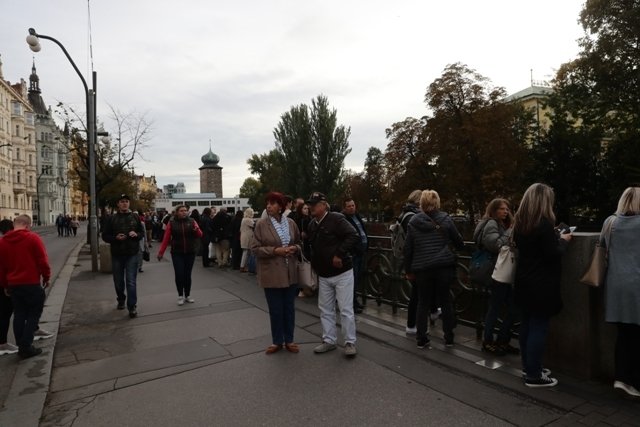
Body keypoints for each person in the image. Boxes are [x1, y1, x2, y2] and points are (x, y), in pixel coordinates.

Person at [513, 183, 571, 388]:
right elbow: (552, 254)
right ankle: (534, 375)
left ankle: (528, 366)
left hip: (524, 280)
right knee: (539, 326)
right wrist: (563, 240)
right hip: (541, 284)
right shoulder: (544, 224)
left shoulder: (520, 223)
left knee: (527, 325)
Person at [404, 190, 464, 349]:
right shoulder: (446, 219)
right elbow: (459, 242)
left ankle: (421, 338)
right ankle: (449, 337)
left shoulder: (413, 222)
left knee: (423, 302)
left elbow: (408, 249)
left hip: (423, 268)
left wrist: (408, 270)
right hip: (443, 267)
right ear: (437, 202)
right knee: (445, 301)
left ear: (421, 203)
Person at [307, 192, 360, 358]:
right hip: (324, 274)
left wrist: (339, 254)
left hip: (342, 272)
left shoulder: (336, 219)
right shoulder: (312, 225)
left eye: (314, 204)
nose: (311, 207)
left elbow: (353, 235)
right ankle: (329, 340)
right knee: (325, 309)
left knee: (345, 309)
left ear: (324, 205)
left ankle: (350, 342)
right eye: (310, 204)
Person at [601, 187, 640, 398]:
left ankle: (621, 377)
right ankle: (634, 381)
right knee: (636, 335)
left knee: (624, 334)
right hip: (637, 287)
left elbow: (602, 246)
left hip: (615, 287)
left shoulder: (610, 223)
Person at [251, 192, 301, 354]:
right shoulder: (261, 224)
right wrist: (275, 250)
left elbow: (299, 243)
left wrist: (295, 248)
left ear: (280, 206)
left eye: (272, 203)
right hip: (271, 272)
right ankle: (277, 341)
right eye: (267, 203)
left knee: (289, 308)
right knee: (275, 309)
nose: (268, 206)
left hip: (289, 272)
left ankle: (290, 340)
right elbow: (255, 249)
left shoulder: (291, 223)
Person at [0, 215, 51, 359]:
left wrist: (5, 285)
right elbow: (43, 261)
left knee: (19, 315)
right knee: (34, 314)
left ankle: (21, 344)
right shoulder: (33, 238)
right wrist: (46, 277)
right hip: (31, 283)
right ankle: (25, 346)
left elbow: (2, 268)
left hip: (14, 285)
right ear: (28, 225)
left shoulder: (3, 242)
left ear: (15, 224)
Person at [474, 198, 518, 356]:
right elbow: (497, 245)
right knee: (499, 307)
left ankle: (501, 340)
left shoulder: (498, 223)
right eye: (502, 209)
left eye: (507, 209)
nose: (506, 211)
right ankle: (490, 341)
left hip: (500, 271)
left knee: (506, 307)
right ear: (493, 210)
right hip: (496, 272)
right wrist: (510, 231)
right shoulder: (492, 223)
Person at [101, 194, 145, 318]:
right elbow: (105, 236)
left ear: (129, 203)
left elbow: (142, 233)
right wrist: (115, 238)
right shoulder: (111, 218)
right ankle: (121, 298)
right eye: (122, 201)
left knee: (131, 281)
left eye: (126, 201)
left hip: (132, 253)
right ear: (118, 204)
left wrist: (136, 234)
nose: (124, 203)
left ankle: (132, 306)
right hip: (117, 254)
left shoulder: (135, 217)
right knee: (118, 281)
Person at [158, 205, 203, 306]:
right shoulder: (172, 223)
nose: (184, 212)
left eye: (185, 211)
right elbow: (166, 238)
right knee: (179, 274)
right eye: (181, 211)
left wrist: (196, 230)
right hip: (177, 252)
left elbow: (200, 235)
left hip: (190, 252)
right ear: (177, 212)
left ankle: (187, 295)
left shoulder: (192, 221)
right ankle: (180, 295)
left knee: (187, 275)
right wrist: (161, 252)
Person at [399, 190, 422, 335]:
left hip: (413, 259)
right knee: (416, 293)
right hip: (415, 260)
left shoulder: (406, 213)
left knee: (418, 292)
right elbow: (412, 242)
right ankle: (411, 324)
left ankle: (415, 322)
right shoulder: (412, 217)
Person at [343, 198, 368, 314]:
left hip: (362, 252)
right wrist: (355, 249)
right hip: (354, 254)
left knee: (358, 279)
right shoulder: (344, 219)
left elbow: (362, 231)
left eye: (353, 205)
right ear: (345, 208)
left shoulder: (357, 216)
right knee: (352, 279)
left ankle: (355, 301)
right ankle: (352, 303)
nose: (352, 208)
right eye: (349, 206)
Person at [0, 219, 17, 355]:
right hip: (6, 284)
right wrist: (6, 286)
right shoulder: (9, 243)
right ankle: (2, 343)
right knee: (6, 313)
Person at [239, 208, 255, 273]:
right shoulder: (248, 220)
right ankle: (243, 266)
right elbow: (254, 225)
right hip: (247, 237)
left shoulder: (244, 219)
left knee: (245, 252)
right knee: (246, 253)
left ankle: (244, 266)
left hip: (244, 236)